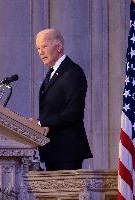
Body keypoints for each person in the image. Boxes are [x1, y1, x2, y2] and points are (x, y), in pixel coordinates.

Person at [35, 28, 93, 171]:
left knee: (66, 194)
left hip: (67, 151)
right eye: (38, 48)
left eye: (44, 46)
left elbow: (73, 112)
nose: (40, 52)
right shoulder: (53, 73)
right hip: (53, 150)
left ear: (59, 46)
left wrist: (41, 123)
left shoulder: (72, 72)